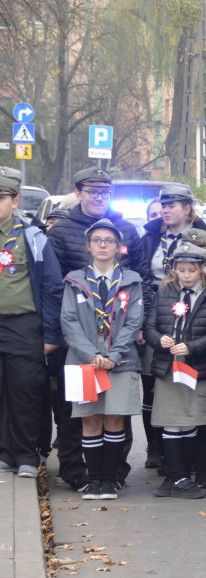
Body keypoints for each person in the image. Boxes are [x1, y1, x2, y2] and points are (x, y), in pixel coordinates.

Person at [47, 167, 150, 490]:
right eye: (92, 191)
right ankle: (79, 473)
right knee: (78, 415)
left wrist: (123, 344)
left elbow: (140, 279)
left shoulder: (127, 231)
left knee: (116, 415)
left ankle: (113, 475)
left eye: (104, 192)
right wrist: (68, 341)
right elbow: (54, 289)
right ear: (78, 193)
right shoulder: (61, 231)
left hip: (119, 348)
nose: (98, 197)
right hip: (79, 347)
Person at [59, 219, 145, 500]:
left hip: (120, 362)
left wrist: (114, 355)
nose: (103, 245)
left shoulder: (131, 280)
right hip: (84, 362)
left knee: (114, 419)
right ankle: (93, 480)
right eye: (97, 240)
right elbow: (68, 321)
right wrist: (91, 355)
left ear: (118, 247)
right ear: (88, 245)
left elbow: (134, 322)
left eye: (109, 240)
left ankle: (109, 480)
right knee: (90, 420)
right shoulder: (74, 280)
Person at [145, 242, 206, 500]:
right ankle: (178, 477)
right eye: (181, 270)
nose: (187, 275)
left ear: (202, 269)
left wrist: (190, 347)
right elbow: (150, 327)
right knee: (171, 421)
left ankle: (181, 476)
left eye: (192, 270)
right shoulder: (164, 293)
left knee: (190, 421)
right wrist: (160, 341)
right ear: (174, 270)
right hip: (169, 368)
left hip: (195, 368)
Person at [0, 167, 63, 478]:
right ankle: (3, 451)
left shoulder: (33, 237)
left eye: (0, 197)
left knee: (25, 389)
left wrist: (51, 334)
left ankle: (26, 454)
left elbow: (52, 287)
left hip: (23, 324)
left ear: (15, 201)